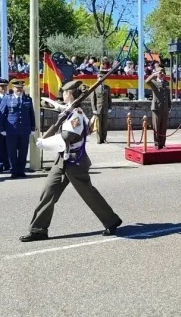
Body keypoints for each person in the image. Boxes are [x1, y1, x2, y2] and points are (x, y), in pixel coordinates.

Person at [20, 80, 123, 242]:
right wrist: (59, 109)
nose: (62, 94)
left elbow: (67, 136)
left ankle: (111, 220)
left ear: (71, 94)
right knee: (48, 193)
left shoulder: (77, 115)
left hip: (75, 161)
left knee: (88, 194)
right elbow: (61, 110)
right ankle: (38, 229)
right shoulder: (69, 110)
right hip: (62, 160)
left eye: (65, 92)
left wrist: (46, 143)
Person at [0, 80, 35, 178]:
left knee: (23, 151)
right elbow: (2, 114)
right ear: (13, 88)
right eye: (17, 88)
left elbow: (31, 114)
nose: (19, 89)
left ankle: (21, 170)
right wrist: (1, 128)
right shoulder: (7, 98)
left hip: (24, 129)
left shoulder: (28, 99)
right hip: (11, 129)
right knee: (12, 151)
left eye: (20, 88)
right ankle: (14, 170)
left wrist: (32, 127)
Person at [146, 68, 171, 149]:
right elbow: (147, 81)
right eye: (160, 73)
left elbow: (168, 95)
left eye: (163, 73)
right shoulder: (154, 82)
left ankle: (162, 143)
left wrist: (169, 105)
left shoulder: (166, 83)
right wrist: (154, 74)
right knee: (156, 126)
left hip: (165, 107)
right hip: (156, 107)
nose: (162, 74)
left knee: (163, 127)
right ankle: (157, 143)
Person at [91, 70, 112, 144]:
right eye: (99, 77)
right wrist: (94, 109)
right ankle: (99, 139)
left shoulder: (107, 88)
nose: (101, 78)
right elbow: (93, 99)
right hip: (98, 108)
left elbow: (109, 99)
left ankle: (104, 139)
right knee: (98, 124)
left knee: (105, 124)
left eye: (102, 77)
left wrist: (110, 107)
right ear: (97, 78)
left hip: (105, 108)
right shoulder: (95, 87)